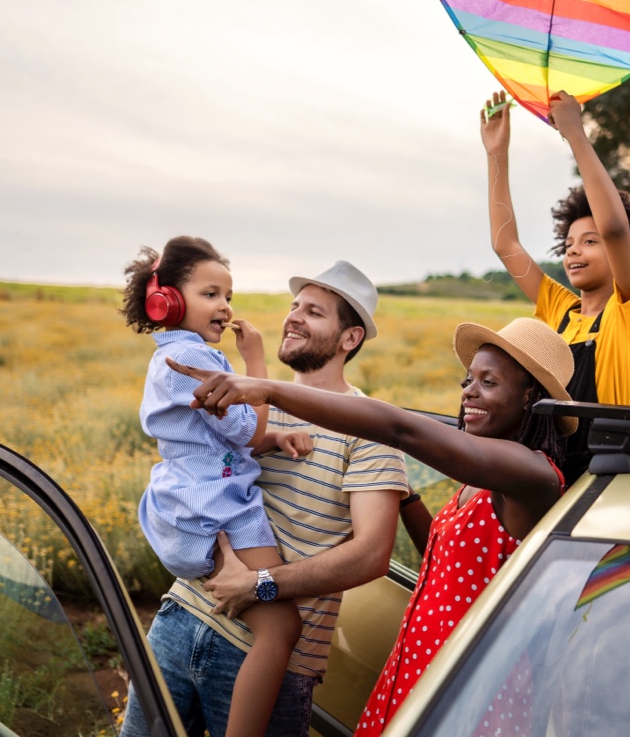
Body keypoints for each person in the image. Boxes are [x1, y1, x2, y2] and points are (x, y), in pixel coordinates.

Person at [168, 316, 576, 737]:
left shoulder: (533, 477)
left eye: (489, 383)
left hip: (474, 683)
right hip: (424, 666)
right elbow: (450, 559)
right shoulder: (481, 479)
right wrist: (405, 496)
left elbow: (400, 429)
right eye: (468, 380)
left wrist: (270, 390)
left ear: (531, 397)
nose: (469, 391)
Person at [121, 260, 410, 737]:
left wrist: (261, 585)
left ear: (350, 339)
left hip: (266, 656)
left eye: (313, 312)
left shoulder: (370, 428)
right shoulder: (249, 402)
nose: (293, 317)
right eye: (293, 306)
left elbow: (372, 555)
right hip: (179, 620)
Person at [122, 235, 306, 737]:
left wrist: (277, 436)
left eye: (228, 296)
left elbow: (222, 442)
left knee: (273, 625)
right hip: (220, 510)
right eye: (210, 294)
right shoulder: (195, 362)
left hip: (189, 506)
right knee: (284, 627)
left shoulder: (172, 357)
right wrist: (257, 364)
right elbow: (246, 428)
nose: (224, 307)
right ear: (169, 301)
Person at [480, 89, 630, 480]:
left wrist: (575, 133)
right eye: (569, 244)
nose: (574, 252)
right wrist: (497, 153)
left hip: (598, 473)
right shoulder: (559, 307)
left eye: (589, 242)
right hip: (545, 466)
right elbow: (505, 244)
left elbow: (614, 227)